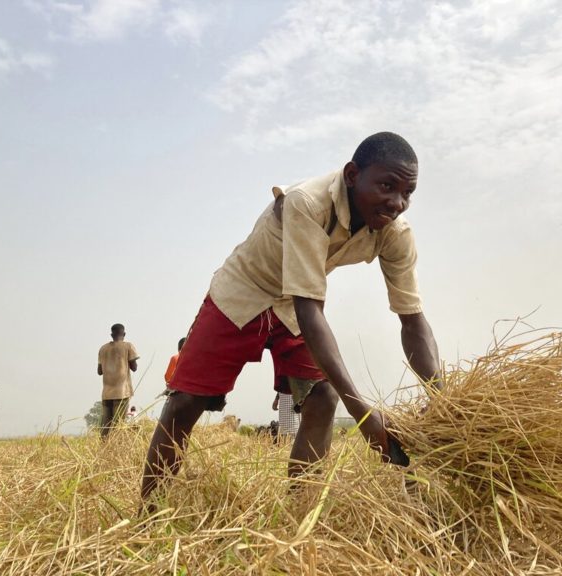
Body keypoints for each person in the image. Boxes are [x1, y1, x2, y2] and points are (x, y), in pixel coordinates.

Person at [141, 132, 441, 506]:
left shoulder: (396, 233)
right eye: (386, 186)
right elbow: (310, 308)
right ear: (352, 175)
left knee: (323, 396)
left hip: (295, 303)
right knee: (186, 401)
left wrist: (444, 402)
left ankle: (300, 510)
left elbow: (412, 320)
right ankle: (148, 511)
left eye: (407, 193)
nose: (397, 203)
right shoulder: (307, 203)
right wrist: (363, 414)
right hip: (243, 292)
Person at [97, 323, 139, 439]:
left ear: (111, 334)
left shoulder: (103, 349)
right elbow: (134, 367)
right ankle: (116, 448)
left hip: (106, 393)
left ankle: (103, 448)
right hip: (121, 392)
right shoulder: (128, 346)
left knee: (106, 426)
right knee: (118, 425)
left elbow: (99, 371)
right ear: (124, 334)